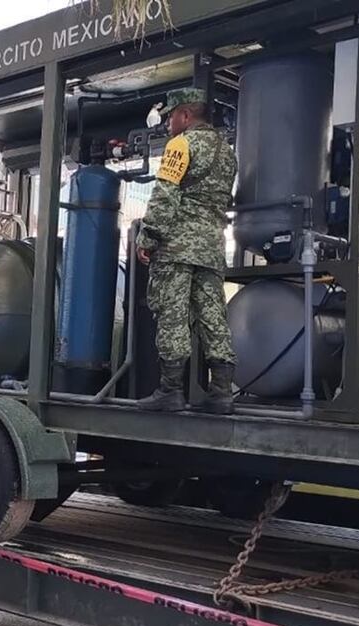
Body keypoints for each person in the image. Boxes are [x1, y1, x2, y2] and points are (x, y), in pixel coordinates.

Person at [135, 87, 239, 414]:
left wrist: (148, 236)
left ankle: (170, 390)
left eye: (170, 117)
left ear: (185, 115)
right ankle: (221, 392)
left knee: (173, 313)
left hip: (178, 246)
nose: (167, 124)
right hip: (212, 247)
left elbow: (166, 195)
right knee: (213, 316)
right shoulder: (227, 152)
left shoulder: (180, 145)